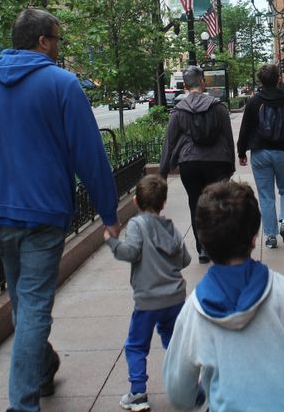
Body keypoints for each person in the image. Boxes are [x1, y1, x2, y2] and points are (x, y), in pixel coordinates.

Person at [0, 8, 121, 412]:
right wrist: (109, 213)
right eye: (57, 39)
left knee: (25, 305)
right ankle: (22, 404)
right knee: (33, 307)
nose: (58, 47)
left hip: (1, 216)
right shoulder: (63, 84)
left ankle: (44, 367)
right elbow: (89, 155)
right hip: (44, 215)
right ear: (42, 41)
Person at [162, 180, 284, 411]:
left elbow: (177, 387)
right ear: (254, 237)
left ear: (203, 241)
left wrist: (194, 397)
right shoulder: (280, 290)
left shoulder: (194, 310)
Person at [104, 174, 191, 412]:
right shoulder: (170, 227)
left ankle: (138, 393)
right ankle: (189, 386)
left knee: (136, 345)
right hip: (175, 297)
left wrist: (111, 241)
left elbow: (130, 252)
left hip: (148, 300)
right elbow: (184, 259)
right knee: (174, 342)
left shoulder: (137, 225)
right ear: (163, 203)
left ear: (135, 201)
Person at [158, 65, 235, 263]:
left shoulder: (178, 111)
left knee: (196, 204)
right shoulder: (218, 107)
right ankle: (219, 246)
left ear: (185, 86)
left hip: (189, 163)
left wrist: (162, 173)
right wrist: (231, 164)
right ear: (203, 82)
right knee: (218, 204)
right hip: (217, 162)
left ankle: (203, 249)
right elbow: (228, 137)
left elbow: (169, 142)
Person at [236, 64, 284, 249]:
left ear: (261, 80)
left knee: (266, 195)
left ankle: (270, 237)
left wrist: (241, 152)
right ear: (278, 79)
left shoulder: (254, 102)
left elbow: (245, 129)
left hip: (260, 152)